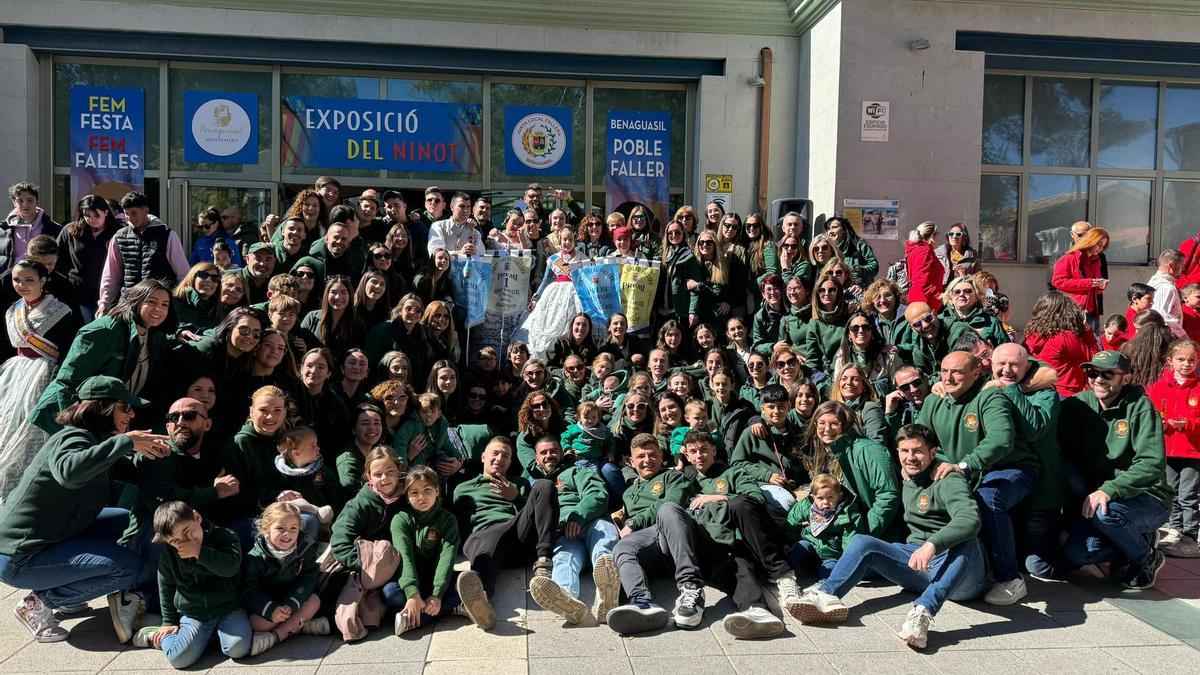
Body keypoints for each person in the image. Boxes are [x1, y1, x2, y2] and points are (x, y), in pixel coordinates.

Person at [0, 375, 169, 643]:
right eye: (124, 407)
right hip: (20, 557)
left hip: (54, 535)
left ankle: (69, 593)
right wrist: (125, 442)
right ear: (102, 408)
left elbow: (134, 473)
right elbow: (69, 472)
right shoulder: (72, 437)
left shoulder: (96, 442)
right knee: (127, 567)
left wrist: (163, 459)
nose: (132, 414)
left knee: (129, 521)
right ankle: (39, 603)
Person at [792, 424, 987, 651]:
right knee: (862, 541)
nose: (910, 458)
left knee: (969, 541)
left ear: (933, 453)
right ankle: (826, 595)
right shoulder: (905, 475)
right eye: (904, 451)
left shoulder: (947, 478)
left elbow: (970, 519)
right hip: (918, 565)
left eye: (918, 451)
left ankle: (922, 612)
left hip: (961, 578)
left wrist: (932, 544)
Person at [916, 351, 1037, 606]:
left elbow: (1001, 440)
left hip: (1010, 468)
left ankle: (1010, 579)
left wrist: (963, 465)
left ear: (975, 374)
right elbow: (920, 438)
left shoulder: (989, 397)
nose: (949, 377)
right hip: (963, 470)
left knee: (988, 499)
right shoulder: (933, 401)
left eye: (957, 372)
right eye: (945, 371)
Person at [1058, 350, 1171, 589]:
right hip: (1100, 498)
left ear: (1126, 378)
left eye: (1108, 374)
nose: (1098, 379)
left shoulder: (1140, 407)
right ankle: (1133, 543)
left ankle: (1145, 557)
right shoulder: (1077, 405)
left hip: (1146, 498)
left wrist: (1110, 489)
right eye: (1092, 372)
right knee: (1079, 553)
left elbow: (1151, 463)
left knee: (1105, 514)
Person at [680, 430, 802, 637]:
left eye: (704, 450)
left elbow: (756, 498)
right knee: (738, 565)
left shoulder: (732, 473)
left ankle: (784, 576)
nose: (699, 455)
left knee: (739, 503)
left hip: (756, 538)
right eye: (693, 451)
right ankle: (756, 610)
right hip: (727, 546)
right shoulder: (686, 482)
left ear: (714, 451)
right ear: (687, 455)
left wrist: (718, 497)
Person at [30, 278, 177, 434]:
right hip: (62, 418)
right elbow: (67, 382)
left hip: (102, 420)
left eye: (164, 305)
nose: (158, 309)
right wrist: (74, 429)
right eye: (152, 302)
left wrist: (180, 334)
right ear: (136, 301)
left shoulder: (155, 335)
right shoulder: (105, 331)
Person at [451, 436, 560, 630]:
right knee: (488, 538)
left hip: (517, 537)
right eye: (495, 453)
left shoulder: (520, 484)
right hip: (484, 538)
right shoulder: (462, 489)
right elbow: (456, 524)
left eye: (505, 455)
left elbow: (538, 512)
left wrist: (516, 497)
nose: (499, 458)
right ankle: (478, 601)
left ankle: (543, 563)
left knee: (544, 485)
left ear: (510, 462)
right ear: (484, 457)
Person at [606, 434, 705, 634]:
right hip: (649, 546)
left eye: (652, 455)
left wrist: (634, 522)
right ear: (631, 462)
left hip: (675, 535)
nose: (647, 460)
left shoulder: (674, 477)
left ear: (661, 457)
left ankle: (692, 587)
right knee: (622, 546)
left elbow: (675, 502)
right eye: (641, 456)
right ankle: (642, 602)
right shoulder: (628, 493)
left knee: (667, 509)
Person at [133, 501, 251, 668]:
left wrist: (199, 552)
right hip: (194, 613)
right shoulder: (169, 552)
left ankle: (208, 637)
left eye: (187, 532)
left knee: (238, 649)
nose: (185, 541)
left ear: (197, 517)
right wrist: (169, 622)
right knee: (178, 659)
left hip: (228, 607)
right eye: (175, 540)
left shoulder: (225, 536)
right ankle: (156, 636)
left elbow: (230, 567)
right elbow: (165, 585)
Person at [0, 259, 80, 502]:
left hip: (45, 374)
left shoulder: (61, 310)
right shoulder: (13, 310)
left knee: (32, 429)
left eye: (29, 280)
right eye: (17, 280)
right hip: (14, 374)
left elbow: (69, 350)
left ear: (43, 281)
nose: (22, 285)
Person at [985, 344, 1065, 581]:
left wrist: (1011, 390)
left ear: (1027, 367)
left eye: (1014, 365)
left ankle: (1078, 551)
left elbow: (1034, 429)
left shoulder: (1046, 393)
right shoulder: (988, 388)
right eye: (1001, 364)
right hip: (1008, 483)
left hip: (1041, 491)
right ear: (991, 364)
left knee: (1038, 566)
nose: (1007, 370)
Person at [524, 437, 620, 624]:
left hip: (590, 521)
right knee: (564, 557)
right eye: (543, 453)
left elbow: (597, 494)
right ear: (536, 459)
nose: (549, 455)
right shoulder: (533, 483)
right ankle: (566, 598)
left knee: (604, 532)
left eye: (553, 451)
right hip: (563, 532)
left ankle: (606, 590)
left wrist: (578, 515)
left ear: (562, 453)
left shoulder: (577, 471)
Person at [235, 501, 327, 656]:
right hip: (268, 606)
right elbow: (249, 590)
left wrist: (292, 603)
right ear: (266, 530)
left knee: (314, 601)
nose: (288, 534)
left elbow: (308, 579)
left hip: (290, 603)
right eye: (280, 528)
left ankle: (277, 636)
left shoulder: (304, 549)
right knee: (257, 623)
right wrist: (271, 610)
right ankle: (300, 625)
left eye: (293, 528)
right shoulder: (254, 558)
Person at [389, 466, 464, 636]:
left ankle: (414, 619)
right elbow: (404, 557)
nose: (421, 497)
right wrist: (412, 594)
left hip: (435, 578)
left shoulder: (448, 520)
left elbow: (447, 558)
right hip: (410, 577)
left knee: (472, 577)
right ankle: (451, 606)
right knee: (390, 595)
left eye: (427, 490)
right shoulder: (400, 520)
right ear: (407, 498)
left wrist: (437, 594)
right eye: (414, 493)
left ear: (437, 491)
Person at [1146, 339, 1200, 558]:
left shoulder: (1197, 388)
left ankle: (1190, 534)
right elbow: (1151, 412)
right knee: (1171, 493)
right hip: (1167, 450)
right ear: (1170, 361)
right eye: (1181, 359)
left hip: (1192, 451)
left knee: (1189, 495)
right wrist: (1163, 423)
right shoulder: (1159, 386)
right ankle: (1174, 529)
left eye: (1192, 360)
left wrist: (1188, 424)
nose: (1186, 364)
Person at [97, 192, 190, 315]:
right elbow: (111, 275)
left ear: (145, 210)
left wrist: (175, 303)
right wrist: (104, 304)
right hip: (129, 304)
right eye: (126, 213)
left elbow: (183, 274)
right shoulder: (119, 237)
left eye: (134, 212)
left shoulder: (167, 235)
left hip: (159, 306)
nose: (130, 217)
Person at [518, 223, 586, 359]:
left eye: (570, 239)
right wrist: (536, 298)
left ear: (575, 240)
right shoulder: (553, 259)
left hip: (575, 295)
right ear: (560, 240)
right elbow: (546, 280)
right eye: (564, 239)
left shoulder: (583, 258)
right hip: (555, 296)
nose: (567, 242)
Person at [58, 194, 121, 322]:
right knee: (84, 329)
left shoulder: (118, 232)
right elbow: (58, 258)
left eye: (96, 215)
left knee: (103, 331)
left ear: (106, 212)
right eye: (88, 216)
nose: (92, 219)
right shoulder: (71, 231)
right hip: (78, 293)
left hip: (109, 294)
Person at [1022, 290, 1097, 397]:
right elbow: (1092, 359)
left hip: (1037, 391)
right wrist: (1087, 333)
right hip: (1066, 393)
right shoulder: (1065, 336)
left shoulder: (1030, 335)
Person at [784, 473, 856, 579]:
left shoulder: (846, 513)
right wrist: (789, 541)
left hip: (831, 554)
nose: (825, 502)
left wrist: (847, 562)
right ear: (813, 498)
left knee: (830, 570)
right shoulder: (807, 506)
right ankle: (784, 572)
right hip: (811, 547)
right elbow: (792, 523)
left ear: (839, 496)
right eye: (820, 498)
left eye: (830, 497)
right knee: (800, 547)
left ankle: (822, 587)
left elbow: (850, 540)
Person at [1051, 226, 1109, 337]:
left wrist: (1101, 286)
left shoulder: (1096, 260)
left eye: (1103, 246)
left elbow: (1095, 286)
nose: (1100, 249)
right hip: (1072, 310)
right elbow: (1057, 281)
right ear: (1091, 240)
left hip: (1091, 311)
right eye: (1099, 244)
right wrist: (1088, 283)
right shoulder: (1069, 258)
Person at [3, 182, 62, 271]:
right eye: (20, 201)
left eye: (30, 200)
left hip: (43, 279)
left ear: (37, 201)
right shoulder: (4, 229)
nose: (25, 205)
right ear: (14, 202)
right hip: (14, 280)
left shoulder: (53, 228)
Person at [904, 221, 945, 311]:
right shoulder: (924, 251)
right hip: (925, 303)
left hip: (923, 301)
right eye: (938, 233)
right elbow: (920, 279)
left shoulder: (917, 250)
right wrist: (938, 295)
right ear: (933, 236)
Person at [426, 192, 483, 257]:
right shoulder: (438, 226)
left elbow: (482, 254)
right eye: (462, 206)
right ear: (452, 207)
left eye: (468, 207)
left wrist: (474, 251)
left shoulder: (474, 231)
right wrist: (459, 253)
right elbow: (435, 252)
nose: (466, 210)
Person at [1149, 249, 1188, 339]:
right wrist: (1184, 337)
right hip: (1165, 339)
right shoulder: (1166, 287)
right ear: (1171, 265)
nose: (1184, 269)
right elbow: (1163, 317)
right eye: (1182, 265)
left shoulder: (1154, 280)